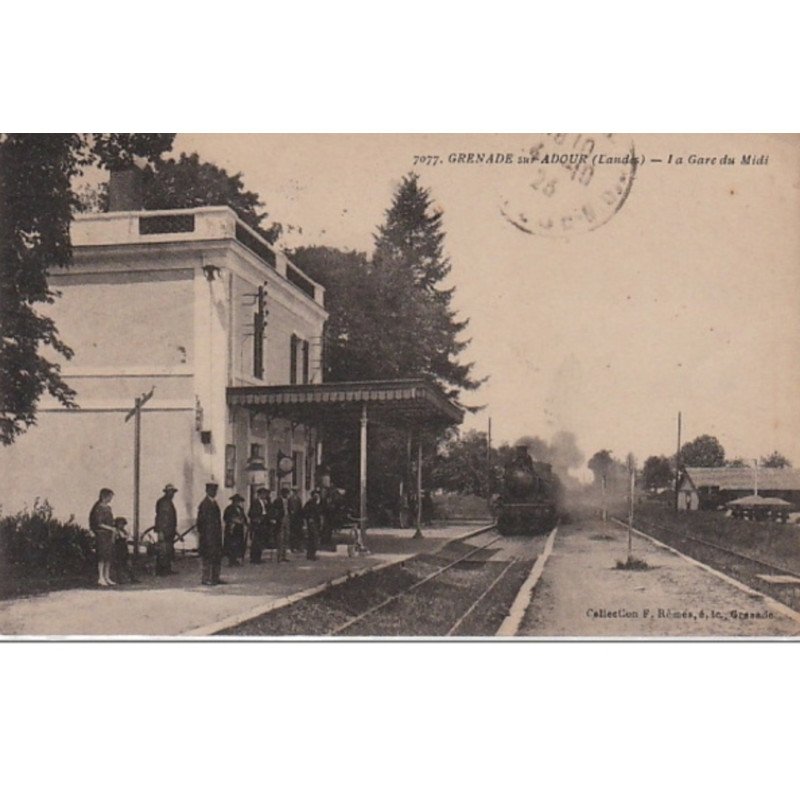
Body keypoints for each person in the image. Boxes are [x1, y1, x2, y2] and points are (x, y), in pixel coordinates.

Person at [89, 488, 118, 587]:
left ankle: (107, 576)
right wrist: (111, 528)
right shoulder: (98, 508)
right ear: (104, 496)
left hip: (109, 535)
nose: (111, 498)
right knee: (101, 556)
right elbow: (99, 523)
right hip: (101, 534)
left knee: (108, 556)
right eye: (110, 496)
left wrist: (113, 530)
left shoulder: (108, 508)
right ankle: (101, 577)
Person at [197, 481, 224, 586]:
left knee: (216, 557)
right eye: (212, 490)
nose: (214, 492)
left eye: (215, 490)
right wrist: (205, 535)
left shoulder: (214, 503)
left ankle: (215, 577)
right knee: (207, 558)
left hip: (215, 535)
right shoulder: (204, 504)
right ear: (207, 491)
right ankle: (206, 578)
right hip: (208, 536)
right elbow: (201, 522)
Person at [154, 483, 179, 576]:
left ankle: (167, 569)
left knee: (168, 550)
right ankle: (161, 571)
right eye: (170, 492)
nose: (172, 494)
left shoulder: (169, 502)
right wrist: (160, 531)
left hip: (170, 530)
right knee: (163, 551)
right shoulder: (162, 502)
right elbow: (159, 517)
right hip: (164, 531)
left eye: (173, 492)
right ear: (166, 492)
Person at [111, 517, 139, 584]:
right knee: (119, 564)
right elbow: (113, 541)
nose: (122, 525)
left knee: (128, 564)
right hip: (118, 549)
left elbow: (127, 539)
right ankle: (120, 579)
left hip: (124, 548)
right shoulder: (115, 531)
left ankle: (132, 578)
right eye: (120, 524)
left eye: (123, 524)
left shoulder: (124, 531)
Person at [223, 494, 248, 567]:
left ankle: (236, 559)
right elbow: (226, 518)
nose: (237, 502)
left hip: (239, 530)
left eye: (238, 501)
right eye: (235, 501)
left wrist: (245, 523)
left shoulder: (240, 509)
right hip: (232, 530)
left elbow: (244, 518)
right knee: (231, 545)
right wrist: (233, 520)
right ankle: (231, 560)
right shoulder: (229, 508)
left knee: (238, 545)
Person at [248, 487, 271, 564]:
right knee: (256, 542)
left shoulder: (265, 502)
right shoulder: (255, 502)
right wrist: (257, 519)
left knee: (261, 541)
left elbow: (267, 511)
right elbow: (251, 513)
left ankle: (258, 557)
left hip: (263, 523)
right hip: (257, 524)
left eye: (265, 494)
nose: (264, 495)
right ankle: (254, 558)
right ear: (259, 494)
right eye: (263, 494)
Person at [270, 487, 292, 562]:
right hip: (280, 520)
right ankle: (279, 556)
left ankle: (284, 556)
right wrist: (274, 519)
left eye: (287, 493)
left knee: (286, 538)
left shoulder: (288, 501)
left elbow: (289, 509)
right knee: (280, 539)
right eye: (286, 493)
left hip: (287, 519)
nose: (287, 495)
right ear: (282, 494)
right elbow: (273, 510)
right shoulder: (277, 501)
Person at [303, 490, 323, 560]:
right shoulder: (310, 503)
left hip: (316, 523)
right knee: (313, 538)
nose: (317, 496)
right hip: (312, 523)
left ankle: (311, 554)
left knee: (313, 538)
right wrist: (309, 518)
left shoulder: (317, 503)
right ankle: (311, 555)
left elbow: (320, 513)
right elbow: (305, 512)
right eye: (315, 495)